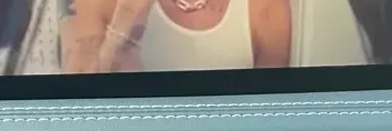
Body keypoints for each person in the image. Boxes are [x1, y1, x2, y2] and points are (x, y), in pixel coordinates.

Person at [59, 0, 292, 73]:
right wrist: (126, 21)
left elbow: (269, 120)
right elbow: (77, 112)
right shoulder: (99, 3)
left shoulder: (265, 9)